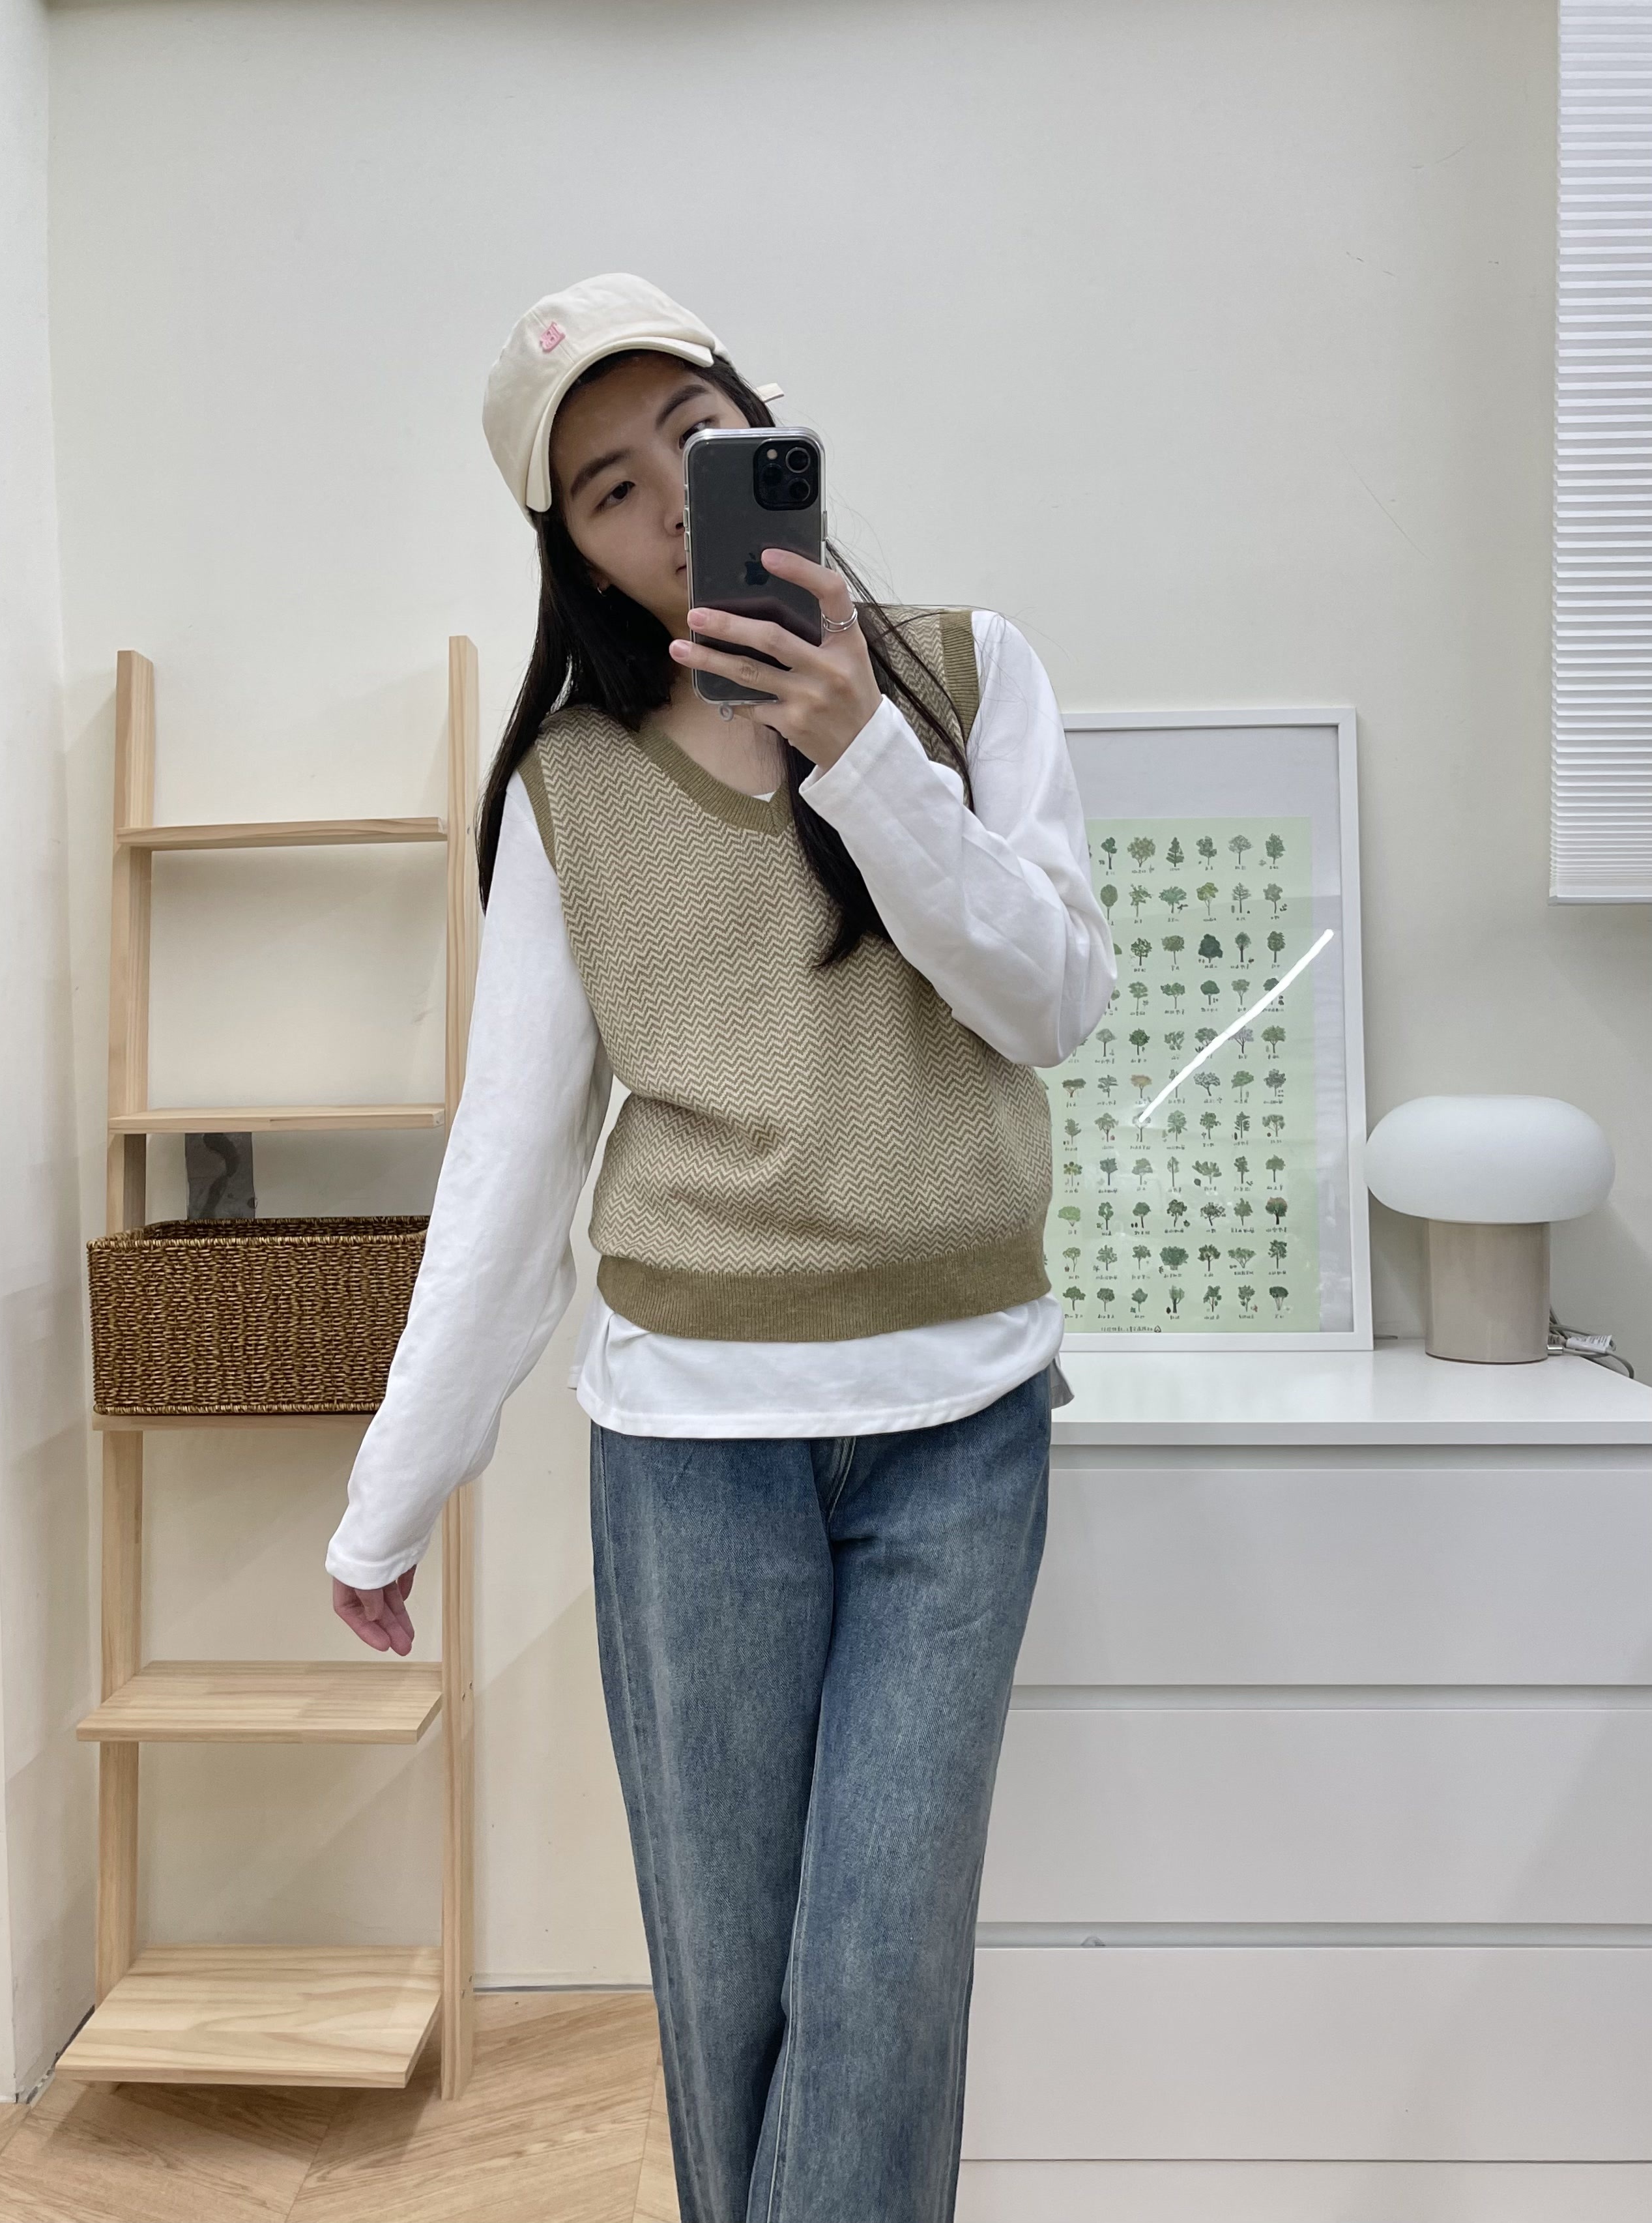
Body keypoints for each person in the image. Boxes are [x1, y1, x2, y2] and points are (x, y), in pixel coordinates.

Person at [324, 270, 1116, 2222]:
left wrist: (863, 749)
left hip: (960, 1433)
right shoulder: (571, 791)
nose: (669, 501)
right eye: (610, 487)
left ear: (760, 424)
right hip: (691, 1457)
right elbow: (512, 1166)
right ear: (573, 548)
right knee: (731, 1997)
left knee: (879, 1989)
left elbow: (1050, 1001)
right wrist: (390, 1497)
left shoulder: (967, 676)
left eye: (693, 438)